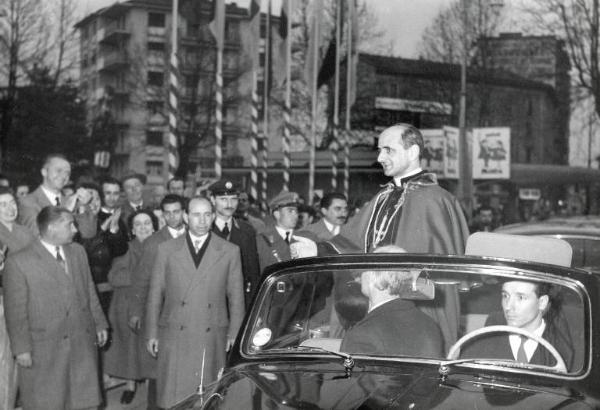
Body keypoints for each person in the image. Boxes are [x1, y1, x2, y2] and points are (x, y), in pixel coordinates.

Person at [338, 123, 470, 348]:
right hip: (373, 310)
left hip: (419, 314)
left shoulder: (436, 200)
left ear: (413, 152)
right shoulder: (382, 197)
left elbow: (442, 277)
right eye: (379, 150)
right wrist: (318, 248)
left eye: (388, 150)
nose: (380, 157)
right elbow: (351, 240)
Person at [3, 206, 108, 410]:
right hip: (43, 346)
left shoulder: (78, 252)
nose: (75, 229)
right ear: (52, 228)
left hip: (81, 339)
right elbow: (15, 312)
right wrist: (21, 349)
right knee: (48, 401)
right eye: (70, 224)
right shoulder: (18, 262)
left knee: (83, 400)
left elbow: (89, 290)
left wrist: (100, 322)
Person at [145, 197, 244, 408]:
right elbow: (155, 293)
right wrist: (152, 332)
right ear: (186, 217)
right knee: (175, 397)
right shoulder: (166, 249)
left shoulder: (229, 250)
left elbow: (236, 297)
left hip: (212, 332)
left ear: (213, 216)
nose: (202, 220)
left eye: (207, 214)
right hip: (174, 331)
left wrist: (234, 333)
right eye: (197, 215)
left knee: (207, 396)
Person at [129, 194, 187, 408]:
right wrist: (135, 312)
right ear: (162, 215)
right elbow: (141, 281)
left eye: (177, 211)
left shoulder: (195, 235)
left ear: (184, 212)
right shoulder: (154, 243)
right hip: (162, 314)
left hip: (188, 314)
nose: (172, 216)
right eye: (168, 212)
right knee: (158, 371)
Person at [104, 210, 158, 405]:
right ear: (133, 230)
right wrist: (143, 278)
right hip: (127, 303)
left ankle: (154, 386)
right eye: (138, 224)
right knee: (131, 348)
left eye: (147, 223)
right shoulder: (125, 248)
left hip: (154, 303)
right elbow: (114, 277)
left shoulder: (163, 246)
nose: (143, 227)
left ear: (154, 226)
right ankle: (130, 385)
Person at [462, 280, 574, 371]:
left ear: (542, 302)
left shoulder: (562, 349)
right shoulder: (480, 345)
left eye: (520, 297)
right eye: (505, 296)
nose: (508, 307)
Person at [340, 267, 443, 357]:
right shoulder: (430, 325)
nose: (358, 278)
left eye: (362, 272)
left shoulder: (360, 336)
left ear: (372, 276)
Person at [0, 187, 35, 410]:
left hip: (28, 302)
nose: (9, 208)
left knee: (20, 362)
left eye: (12, 202)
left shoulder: (26, 232)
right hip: (3, 305)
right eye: (2, 205)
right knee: (4, 364)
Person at [209, 180, 260, 309]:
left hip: (239, 303)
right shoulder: (205, 230)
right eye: (223, 199)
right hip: (210, 303)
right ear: (212, 200)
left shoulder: (247, 230)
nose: (229, 204)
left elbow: (253, 272)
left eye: (233, 199)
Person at [18, 154, 95, 237]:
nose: (63, 176)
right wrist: (65, 210)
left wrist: (84, 205)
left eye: (67, 173)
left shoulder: (71, 201)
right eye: (58, 170)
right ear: (44, 172)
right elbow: (38, 236)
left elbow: (88, 234)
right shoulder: (28, 202)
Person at [256, 191, 317, 273]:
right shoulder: (262, 240)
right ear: (277, 214)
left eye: (296, 211)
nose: (295, 215)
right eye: (290, 211)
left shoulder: (308, 238)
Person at [120, 172, 150, 237]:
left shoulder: (153, 208)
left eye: (137, 185)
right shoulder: (120, 213)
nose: (134, 189)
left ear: (142, 187)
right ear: (124, 191)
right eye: (128, 187)